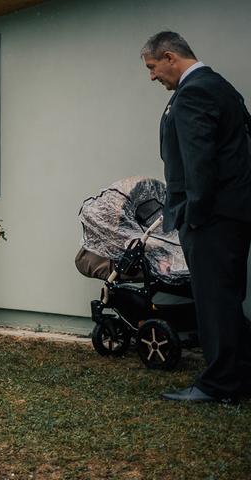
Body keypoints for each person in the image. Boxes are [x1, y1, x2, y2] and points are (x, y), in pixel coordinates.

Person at [141, 32, 251, 402]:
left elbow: (198, 160)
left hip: (212, 216)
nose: (152, 76)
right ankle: (240, 374)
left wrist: (196, 215)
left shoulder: (194, 92)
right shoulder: (219, 85)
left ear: (169, 57)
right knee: (225, 297)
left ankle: (219, 385)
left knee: (214, 300)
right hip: (231, 212)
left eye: (153, 67)